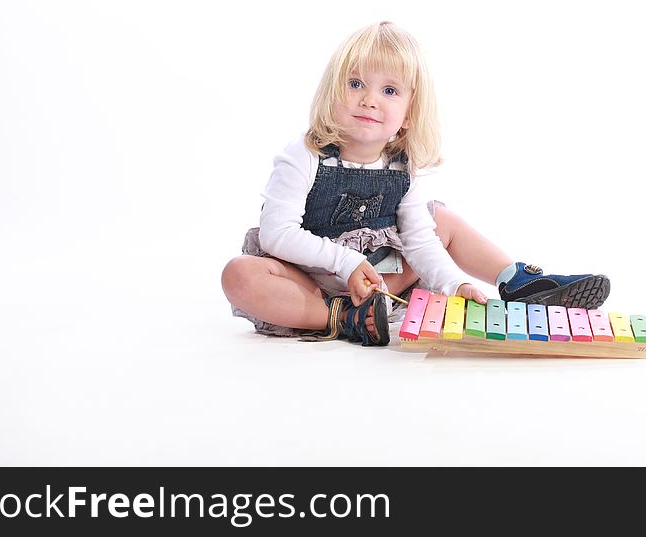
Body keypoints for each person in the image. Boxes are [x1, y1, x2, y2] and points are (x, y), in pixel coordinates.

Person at [221, 21, 609, 346]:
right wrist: (346, 260)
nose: (369, 100)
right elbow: (277, 233)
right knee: (240, 274)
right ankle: (340, 318)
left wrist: (455, 284)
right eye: (355, 84)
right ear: (332, 92)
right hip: (310, 283)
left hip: (383, 280)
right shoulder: (303, 155)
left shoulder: (403, 167)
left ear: (409, 112)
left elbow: (421, 242)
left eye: (389, 91)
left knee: (438, 219)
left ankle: (515, 281)